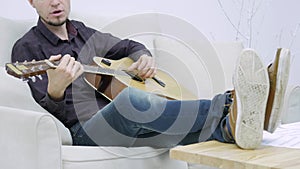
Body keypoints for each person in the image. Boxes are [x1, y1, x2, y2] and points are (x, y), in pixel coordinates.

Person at [11, 0, 290, 150]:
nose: (56, 2)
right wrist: (56, 89)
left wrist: (143, 57)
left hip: (129, 122)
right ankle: (234, 102)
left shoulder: (84, 32)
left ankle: (234, 127)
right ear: (32, 1)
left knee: (152, 116)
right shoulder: (27, 48)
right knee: (132, 102)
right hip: (84, 130)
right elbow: (46, 109)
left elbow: (130, 46)